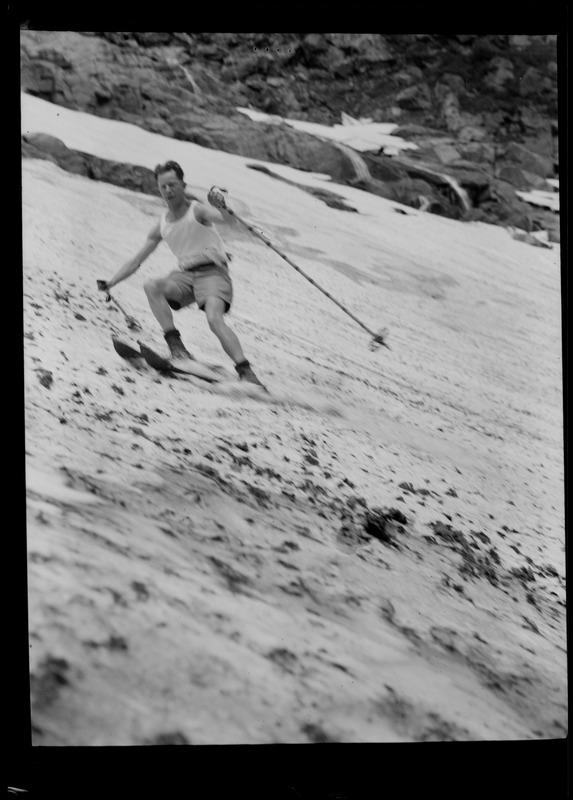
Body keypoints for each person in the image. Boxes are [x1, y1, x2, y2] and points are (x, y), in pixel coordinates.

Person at [97, 160, 265, 388]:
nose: (168, 190)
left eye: (173, 184)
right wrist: (112, 281)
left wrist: (223, 206)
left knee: (214, 319)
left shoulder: (197, 210)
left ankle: (246, 372)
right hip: (185, 278)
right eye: (163, 186)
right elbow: (136, 260)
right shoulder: (162, 225)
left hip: (213, 274)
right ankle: (177, 349)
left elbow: (230, 221)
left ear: (183, 185)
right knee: (151, 286)